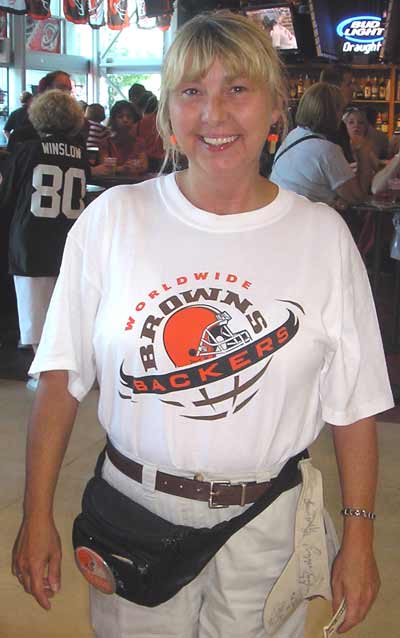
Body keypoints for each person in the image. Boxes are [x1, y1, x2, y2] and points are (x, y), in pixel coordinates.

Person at [12, 12, 393, 638]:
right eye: (192, 91)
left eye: (237, 89)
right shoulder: (114, 221)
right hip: (132, 515)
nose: (214, 113)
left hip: (267, 523)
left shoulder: (321, 236)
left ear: (276, 107)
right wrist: (36, 514)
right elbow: (59, 379)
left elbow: (353, 406)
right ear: (168, 111)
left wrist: (358, 536)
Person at [0, 89, 89, 388]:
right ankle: (66, 366)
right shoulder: (79, 152)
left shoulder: (26, 150)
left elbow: (8, 195)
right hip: (67, 235)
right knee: (61, 306)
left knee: (34, 310)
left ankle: (41, 372)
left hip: (30, 237)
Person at [270, 82, 374, 207]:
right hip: (303, 221)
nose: (341, 116)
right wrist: (363, 151)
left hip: (282, 213)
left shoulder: (293, 136)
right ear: (332, 113)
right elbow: (358, 197)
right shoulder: (327, 150)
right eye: (340, 110)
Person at [7, 71, 73, 153]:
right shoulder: (22, 135)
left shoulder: (74, 134)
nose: (66, 93)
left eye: (69, 89)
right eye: (62, 87)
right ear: (47, 90)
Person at [91, 100, 148, 178]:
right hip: (111, 184)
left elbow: (144, 166)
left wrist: (135, 167)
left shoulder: (139, 142)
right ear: (114, 120)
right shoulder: (106, 142)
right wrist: (123, 169)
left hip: (134, 183)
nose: (125, 120)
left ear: (134, 120)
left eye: (129, 117)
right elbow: (104, 168)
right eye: (120, 117)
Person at [320, 65, 354, 162]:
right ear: (335, 88)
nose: (353, 89)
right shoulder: (328, 125)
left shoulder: (339, 124)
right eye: (349, 84)